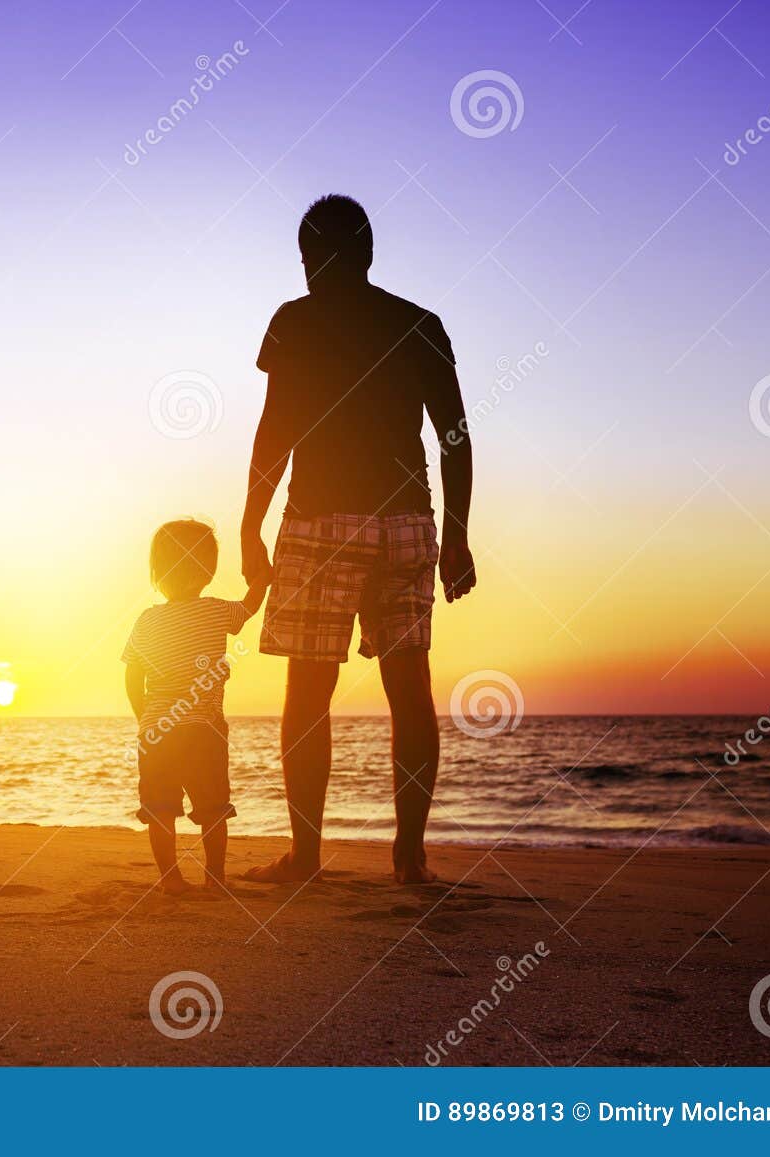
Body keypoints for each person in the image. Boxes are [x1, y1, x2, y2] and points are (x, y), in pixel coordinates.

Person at [239, 194, 477, 887]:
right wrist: (457, 535)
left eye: (309, 258)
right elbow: (454, 437)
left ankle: (307, 857)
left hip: (321, 520)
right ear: (370, 253)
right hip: (407, 520)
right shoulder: (418, 322)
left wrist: (251, 524)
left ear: (310, 259)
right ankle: (410, 857)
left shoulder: (295, 321)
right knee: (410, 686)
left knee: (309, 690)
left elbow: (274, 430)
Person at [123, 520, 267, 895]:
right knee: (213, 807)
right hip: (203, 730)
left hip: (157, 732)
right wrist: (264, 579)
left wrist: (146, 719)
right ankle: (215, 877)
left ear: (157, 571)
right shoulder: (216, 611)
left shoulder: (147, 620)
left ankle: (170, 878)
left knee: (160, 807)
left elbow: (132, 677)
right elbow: (250, 607)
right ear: (207, 571)